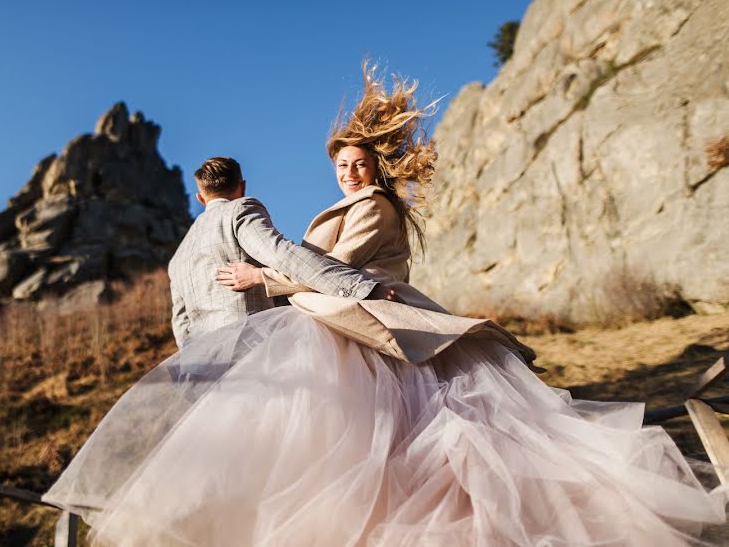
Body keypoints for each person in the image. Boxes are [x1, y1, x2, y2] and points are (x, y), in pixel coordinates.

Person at [43, 63, 727, 546]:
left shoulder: (373, 207)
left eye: (358, 164)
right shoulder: (336, 203)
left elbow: (336, 270)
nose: (349, 172)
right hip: (334, 323)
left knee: (423, 447)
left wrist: (264, 280)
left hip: (374, 322)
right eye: (341, 165)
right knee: (348, 459)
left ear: (375, 169)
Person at [168, 155, 396, 348]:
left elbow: (181, 326)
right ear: (242, 186)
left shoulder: (178, 257)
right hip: (249, 352)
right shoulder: (239, 210)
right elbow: (282, 255)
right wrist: (358, 287)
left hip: (203, 372)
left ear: (201, 197)